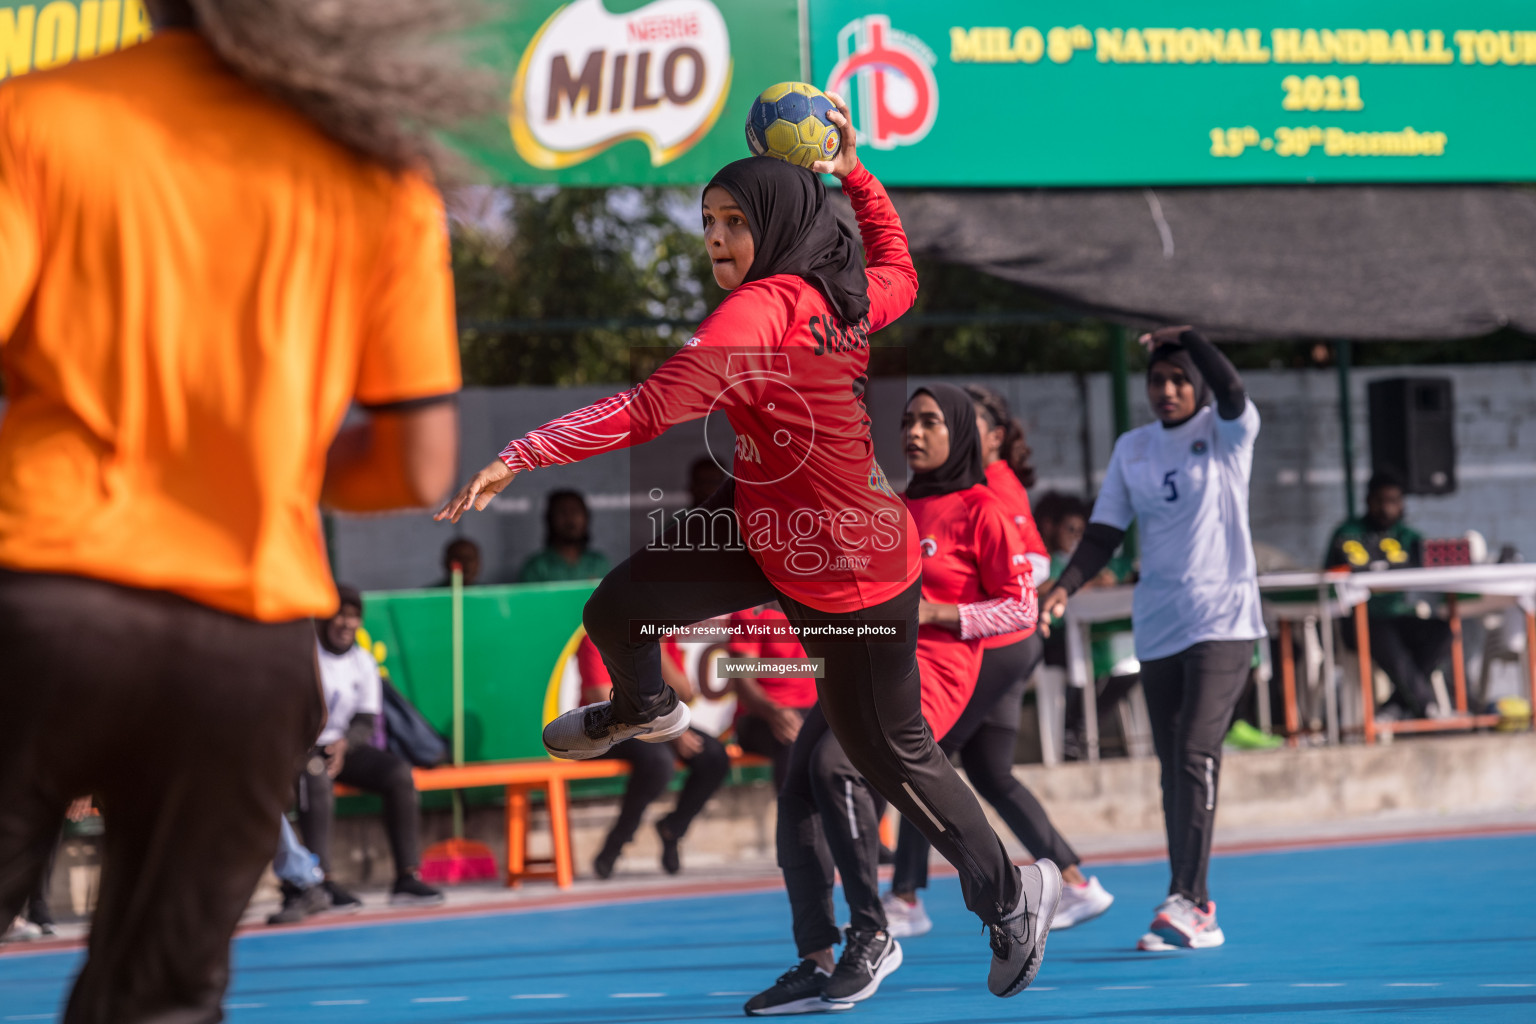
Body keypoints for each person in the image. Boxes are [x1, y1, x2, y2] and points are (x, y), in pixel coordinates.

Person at [438, 95, 1059, 1007]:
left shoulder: (762, 311)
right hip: (771, 528)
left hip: (847, 562)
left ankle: (1014, 895)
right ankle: (646, 705)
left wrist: (524, 451)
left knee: (889, 755)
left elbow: (647, 409)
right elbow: (899, 269)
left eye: (734, 222)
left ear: (774, 227)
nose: (717, 239)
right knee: (617, 607)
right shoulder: (842, 297)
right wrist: (853, 170)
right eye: (708, 224)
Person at [0, 0, 480, 1017]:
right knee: (163, 996)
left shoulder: (37, 118)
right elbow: (415, 463)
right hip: (246, 644)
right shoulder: (377, 171)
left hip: (41, 597)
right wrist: (267, 453)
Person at [1041, 325, 1265, 952]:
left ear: (1196, 385)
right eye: (1157, 381)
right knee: (1173, 768)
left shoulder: (1227, 435)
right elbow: (1105, 531)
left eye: (1178, 380)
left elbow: (1233, 387)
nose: (1166, 390)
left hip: (1222, 621)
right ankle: (1185, 898)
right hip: (1160, 625)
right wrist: (1064, 587)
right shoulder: (1133, 448)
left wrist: (1192, 338)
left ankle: (1194, 903)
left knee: (1196, 752)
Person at [884, 385, 1113, 940]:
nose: (921, 432)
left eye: (942, 421)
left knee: (923, 759)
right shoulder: (954, 490)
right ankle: (1078, 881)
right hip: (1005, 643)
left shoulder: (989, 489)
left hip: (1003, 645)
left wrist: (950, 610)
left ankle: (907, 895)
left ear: (988, 435)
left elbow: (1024, 571)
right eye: (913, 421)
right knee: (990, 771)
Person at [297, 588, 444, 908]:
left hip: (344, 746)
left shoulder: (362, 661)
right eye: (340, 614)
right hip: (304, 748)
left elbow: (366, 718)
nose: (346, 623)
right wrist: (315, 748)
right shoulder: (306, 655)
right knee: (315, 774)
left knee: (399, 774)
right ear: (324, 618)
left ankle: (407, 877)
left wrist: (346, 743)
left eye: (353, 615)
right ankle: (322, 882)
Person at [576, 634, 730, 877]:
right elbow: (602, 699)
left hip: (655, 722)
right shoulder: (597, 638)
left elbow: (685, 694)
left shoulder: (661, 638)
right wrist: (665, 731)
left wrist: (657, 651)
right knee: (658, 762)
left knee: (714, 757)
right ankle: (618, 841)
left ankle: (672, 828)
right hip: (609, 726)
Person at [1324, 471, 1451, 719]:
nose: (1386, 508)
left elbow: (1435, 568)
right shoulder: (1347, 532)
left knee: (1442, 633)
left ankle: (1396, 705)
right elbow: (1329, 580)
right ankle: (1427, 706)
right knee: (1383, 634)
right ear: (1369, 500)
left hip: (1397, 616)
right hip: (1357, 620)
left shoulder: (1409, 537)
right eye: (1380, 500)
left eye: (1393, 501)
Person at [728, 602, 818, 793]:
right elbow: (744, 684)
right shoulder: (749, 611)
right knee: (794, 739)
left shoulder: (817, 604)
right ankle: (794, 820)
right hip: (759, 717)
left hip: (810, 712)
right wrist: (774, 713)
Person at [517, 490, 612, 583]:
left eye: (575, 511)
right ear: (550, 519)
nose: (570, 519)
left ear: (586, 518)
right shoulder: (536, 567)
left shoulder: (599, 564)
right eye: (562, 512)